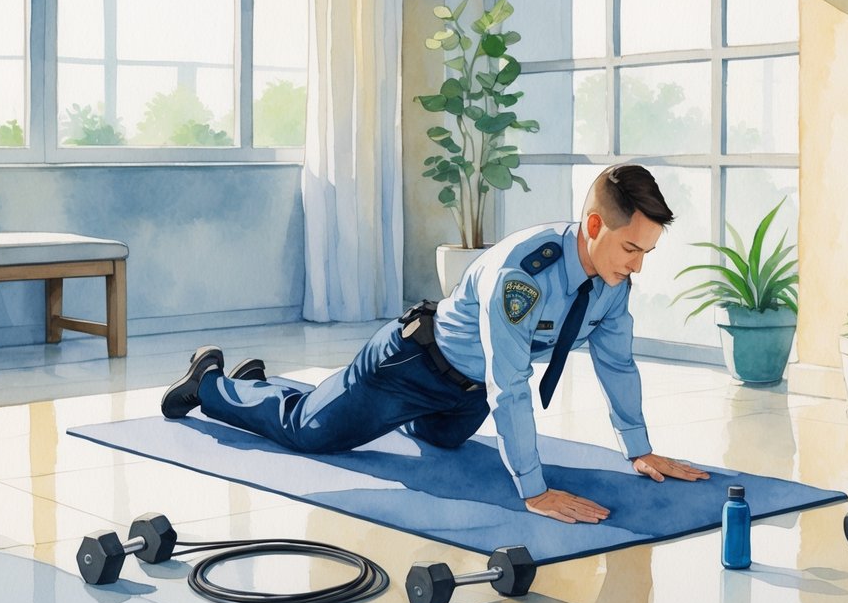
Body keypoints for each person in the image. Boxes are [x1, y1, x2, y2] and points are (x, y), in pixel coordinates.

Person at [161, 164, 709, 524]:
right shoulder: (523, 273)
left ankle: (263, 384)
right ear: (594, 224)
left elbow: (617, 364)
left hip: (463, 397)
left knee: (443, 443)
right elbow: (510, 386)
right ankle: (210, 381)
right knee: (310, 433)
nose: (636, 265)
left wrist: (638, 450)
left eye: (646, 254)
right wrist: (534, 491)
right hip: (410, 368)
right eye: (631, 248)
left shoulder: (611, 283)